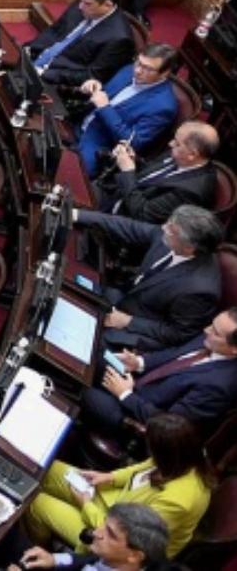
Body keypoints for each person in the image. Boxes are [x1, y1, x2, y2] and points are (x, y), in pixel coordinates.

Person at [22, 413, 211, 558]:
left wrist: (85, 505)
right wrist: (107, 477)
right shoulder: (181, 456)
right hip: (115, 501)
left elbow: (125, 540)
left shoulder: (178, 501)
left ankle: (33, 552)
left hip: (113, 538)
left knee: (36, 504)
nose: (150, 453)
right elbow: (140, 469)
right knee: (46, 469)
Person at [75, 205, 224, 352]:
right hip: (126, 298)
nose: (164, 228)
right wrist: (77, 215)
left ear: (189, 248)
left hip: (141, 330)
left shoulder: (200, 290)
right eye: (169, 222)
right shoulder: (171, 236)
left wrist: (128, 322)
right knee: (74, 285)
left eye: (172, 230)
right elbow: (128, 227)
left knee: (85, 344)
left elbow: (177, 333)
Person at [80, 308, 237, 436]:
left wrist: (125, 395)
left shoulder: (219, 388)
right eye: (211, 325)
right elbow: (174, 354)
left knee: (85, 392)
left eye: (215, 333)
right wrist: (139, 363)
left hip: (137, 416)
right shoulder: (210, 338)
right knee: (93, 354)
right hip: (135, 381)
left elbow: (170, 425)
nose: (206, 329)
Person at [76, 44, 180, 176]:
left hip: (99, 144)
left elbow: (133, 143)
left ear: (165, 73)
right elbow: (103, 95)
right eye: (139, 62)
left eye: (147, 68)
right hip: (78, 120)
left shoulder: (163, 106)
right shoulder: (129, 70)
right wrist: (92, 87)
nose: (137, 70)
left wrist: (105, 109)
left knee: (73, 175)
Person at [26, 0, 138, 91]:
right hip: (36, 60)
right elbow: (54, 31)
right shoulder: (84, 4)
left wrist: (44, 74)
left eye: (87, 3)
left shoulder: (119, 39)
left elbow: (93, 76)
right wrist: (28, 49)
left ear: (107, 5)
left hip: (57, 81)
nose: (80, 6)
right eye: (80, 0)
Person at [99, 121, 218, 223]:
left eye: (176, 143)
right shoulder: (182, 155)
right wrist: (134, 160)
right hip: (116, 193)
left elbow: (142, 214)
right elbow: (152, 175)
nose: (170, 144)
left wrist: (127, 172)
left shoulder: (190, 192)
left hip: (123, 219)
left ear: (192, 154)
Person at [11, 502, 169, 571]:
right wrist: (54, 560)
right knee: (10, 538)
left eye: (110, 534)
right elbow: (88, 561)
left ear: (135, 556)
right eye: (104, 525)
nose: (96, 532)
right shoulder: (114, 560)